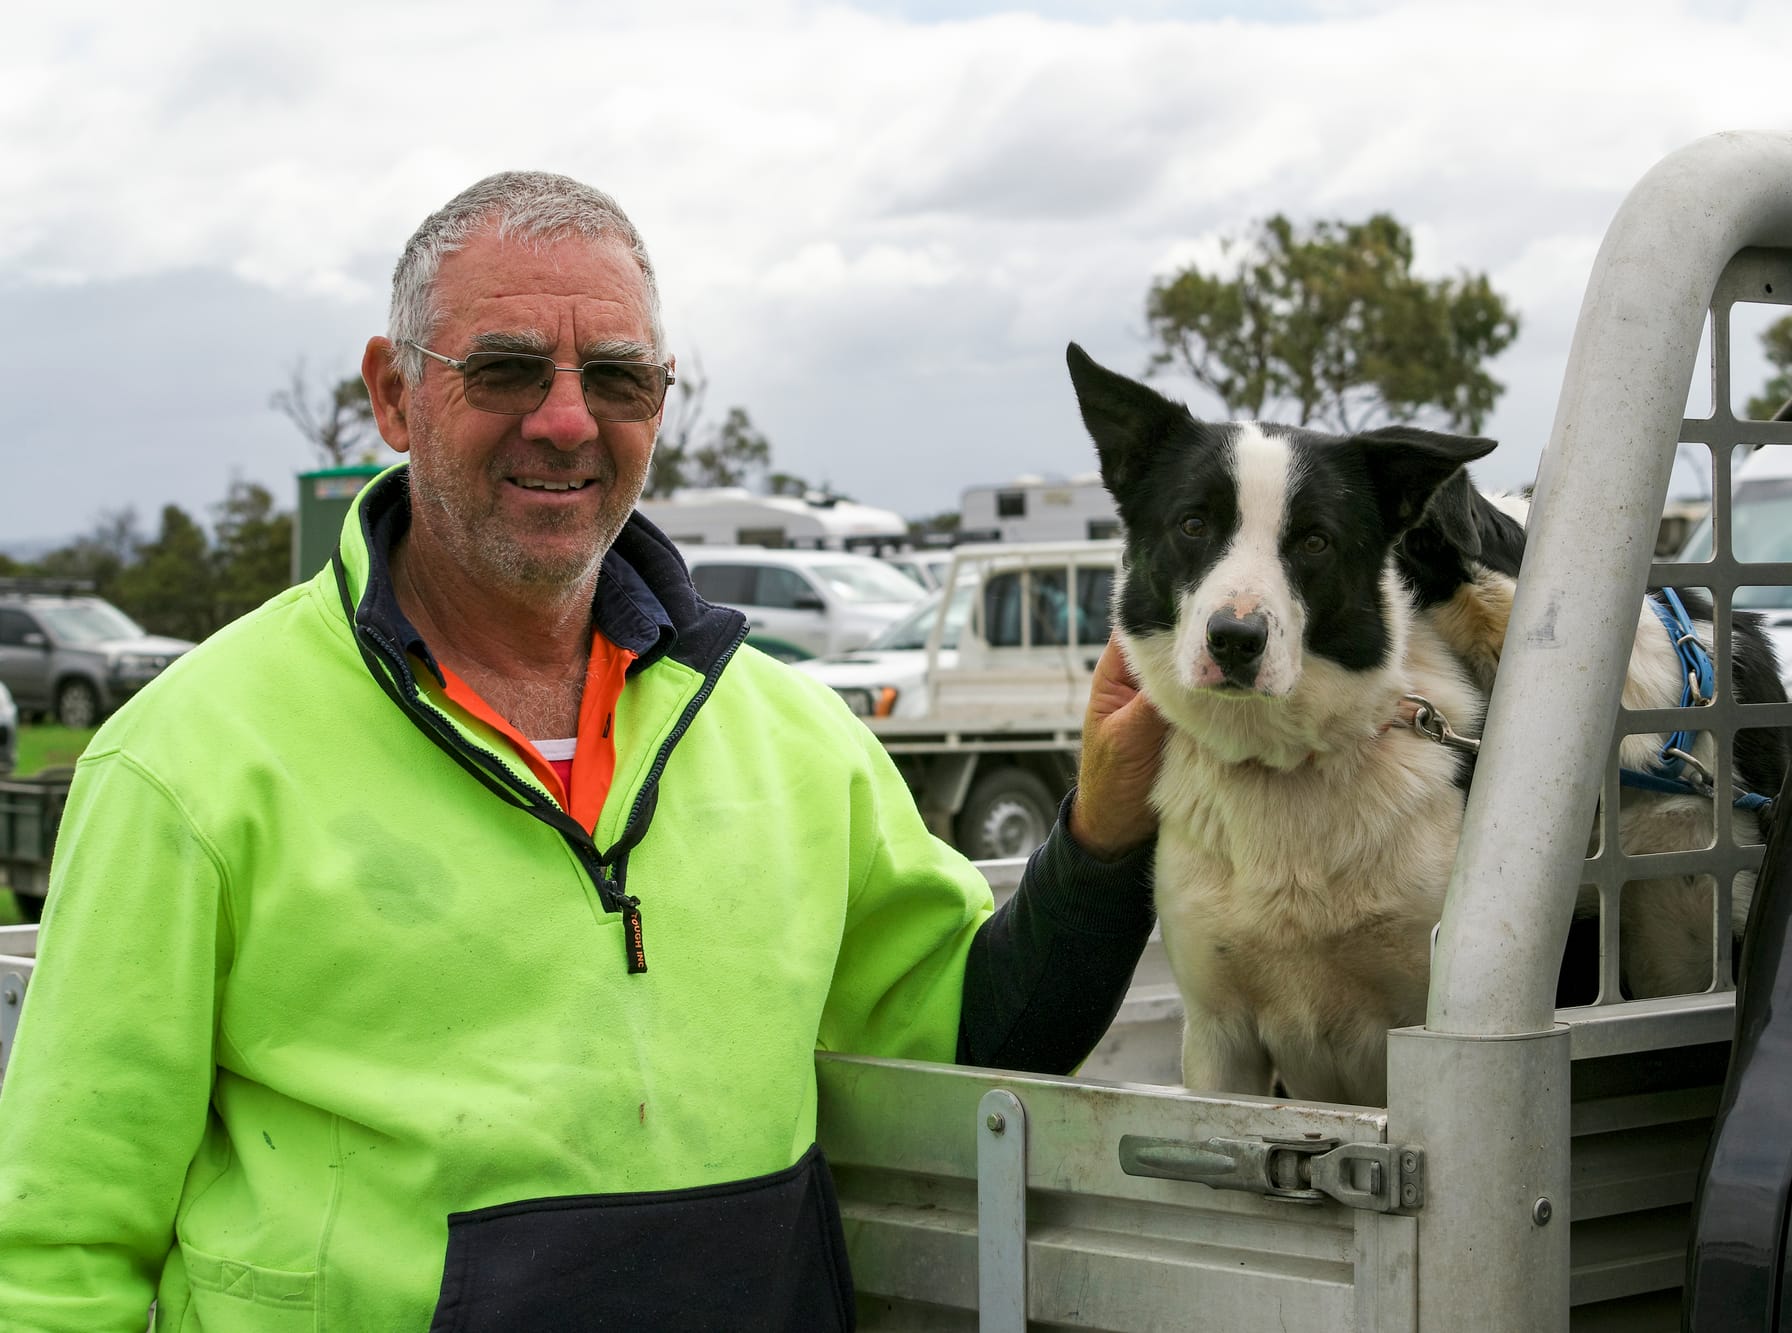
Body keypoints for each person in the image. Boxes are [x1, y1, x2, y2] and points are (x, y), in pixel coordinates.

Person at [0, 172, 1166, 1329]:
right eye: (505, 369)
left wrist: (1105, 825)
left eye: (616, 378)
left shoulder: (791, 741)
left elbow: (980, 1036)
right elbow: (55, 1251)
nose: (566, 420)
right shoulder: (186, 760)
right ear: (394, 395)